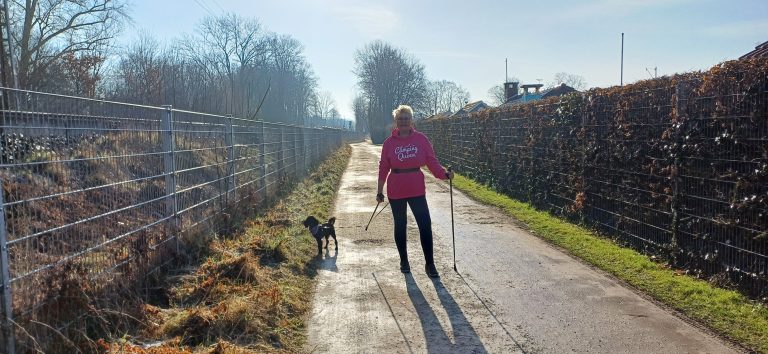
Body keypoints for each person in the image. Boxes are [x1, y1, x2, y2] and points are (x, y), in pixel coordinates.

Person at [376, 104, 453, 278]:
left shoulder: (421, 139)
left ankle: (430, 264)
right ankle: (404, 260)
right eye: (400, 119)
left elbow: (431, 161)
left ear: (411, 121)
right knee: (400, 225)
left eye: (406, 118)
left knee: (425, 225)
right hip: (396, 190)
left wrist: (444, 174)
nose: (403, 122)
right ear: (396, 121)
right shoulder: (389, 143)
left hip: (417, 189)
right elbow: (383, 168)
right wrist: (380, 191)